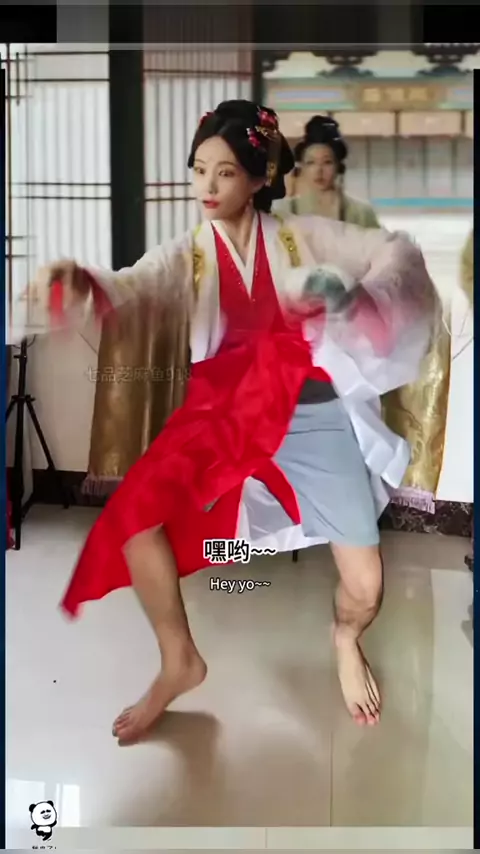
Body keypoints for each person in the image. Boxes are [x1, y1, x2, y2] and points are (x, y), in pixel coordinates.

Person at [31, 100, 436, 742]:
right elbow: (130, 285)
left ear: (258, 176)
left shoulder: (303, 235)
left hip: (308, 409)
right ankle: (180, 661)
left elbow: (396, 253)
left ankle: (345, 636)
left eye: (223, 172)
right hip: (223, 410)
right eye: (199, 171)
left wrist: (356, 298)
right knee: (133, 518)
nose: (207, 187)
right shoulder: (187, 254)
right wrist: (82, 282)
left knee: (366, 585)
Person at [275, 115, 380, 227]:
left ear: (338, 166)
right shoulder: (285, 211)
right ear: (302, 167)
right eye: (311, 162)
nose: (319, 170)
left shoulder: (361, 213)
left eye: (327, 162)